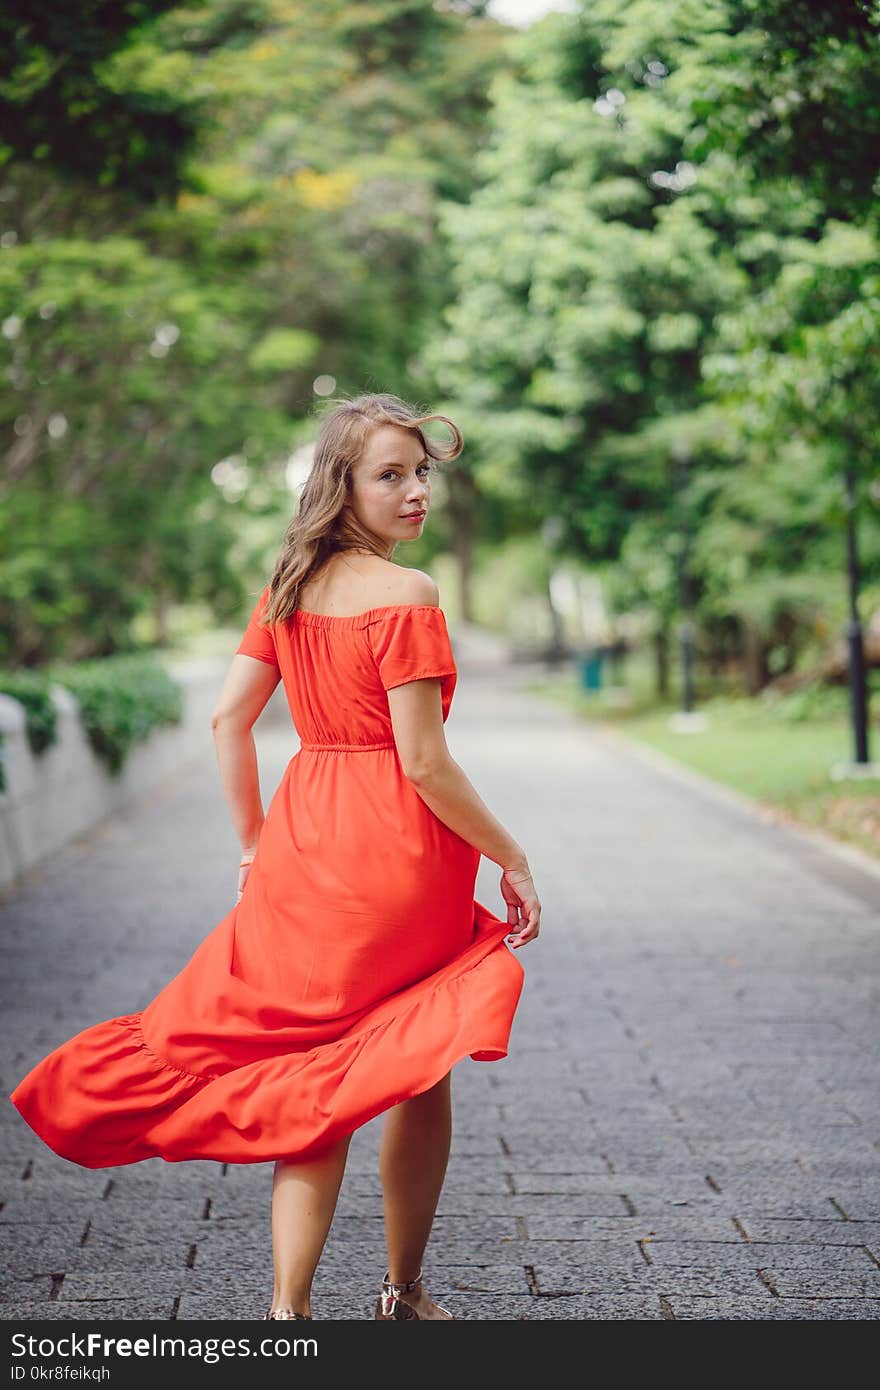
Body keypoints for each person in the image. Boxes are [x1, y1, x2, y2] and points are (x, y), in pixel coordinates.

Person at [9, 391, 541, 1322]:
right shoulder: (407, 595)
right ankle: (403, 1293)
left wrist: (256, 844)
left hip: (305, 843)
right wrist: (512, 853)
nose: (416, 492)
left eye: (421, 473)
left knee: (315, 1080)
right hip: (400, 859)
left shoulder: (288, 586)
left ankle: (287, 1311)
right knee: (417, 1063)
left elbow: (228, 719)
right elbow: (422, 761)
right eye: (391, 475)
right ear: (343, 487)